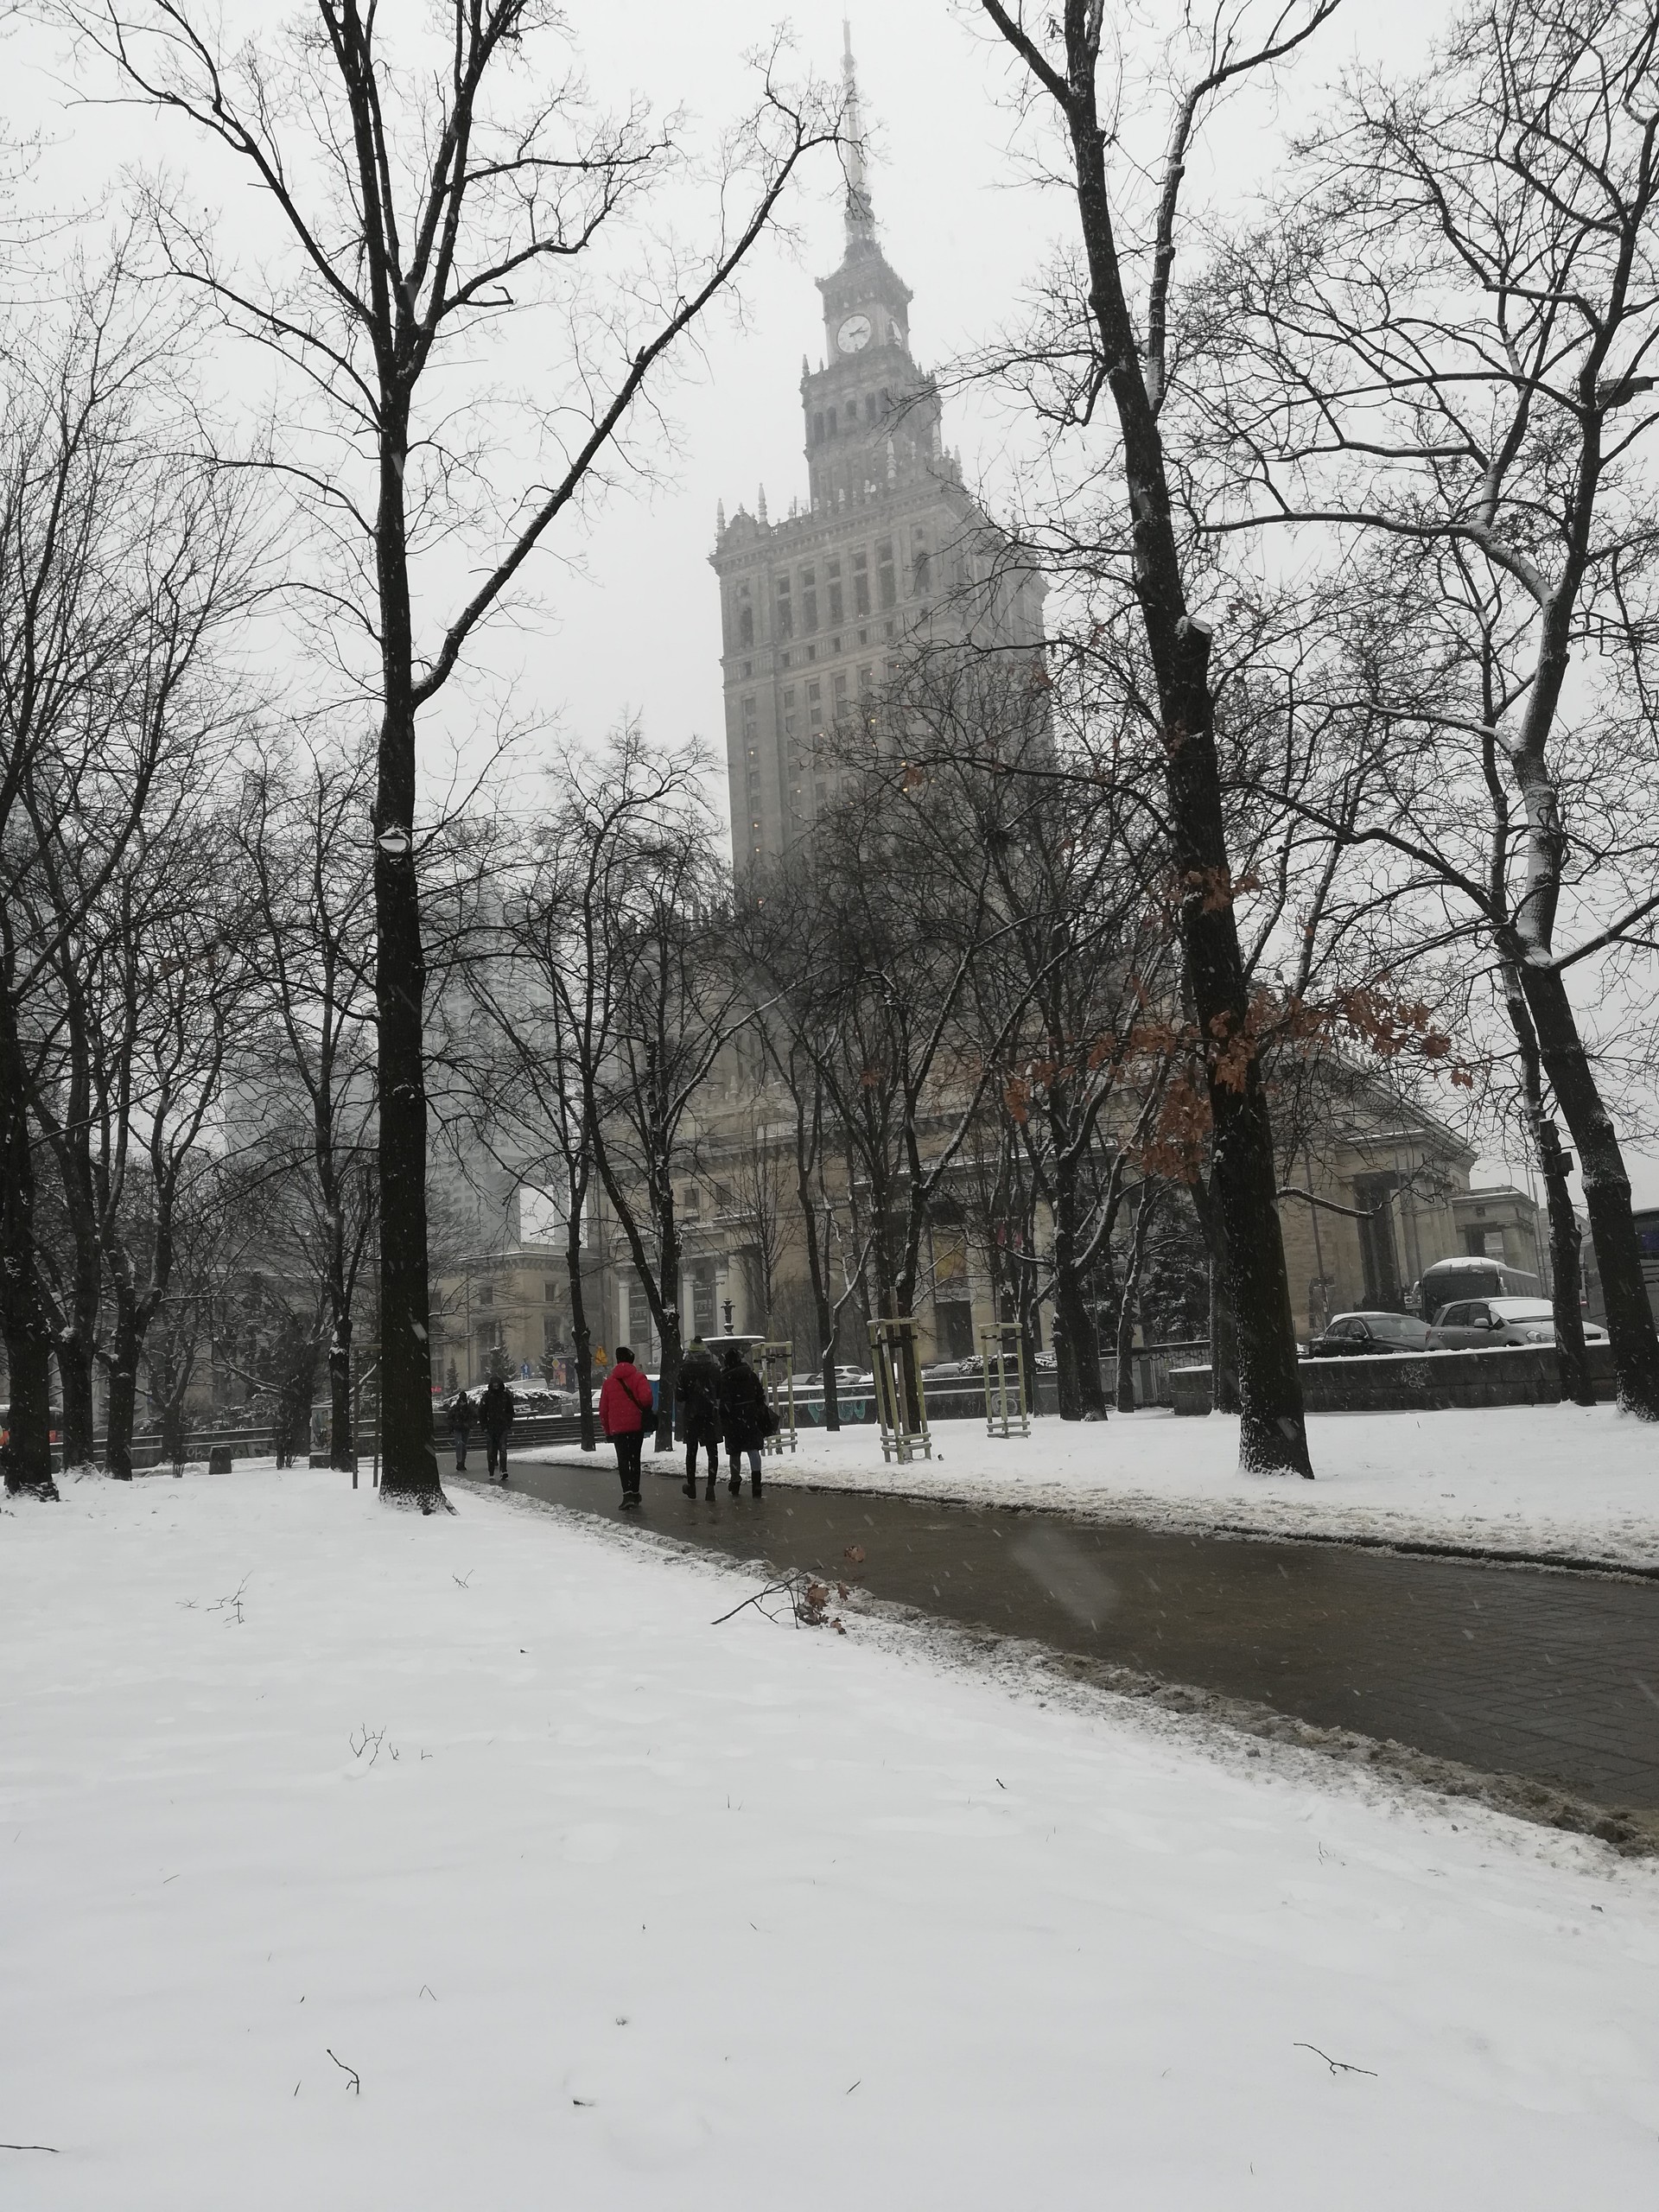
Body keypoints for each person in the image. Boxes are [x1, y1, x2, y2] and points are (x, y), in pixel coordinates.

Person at [598, 1345, 654, 1509]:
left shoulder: (609, 1383)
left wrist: (607, 1430)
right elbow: (646, 1400)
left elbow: (603, 1410)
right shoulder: (638, 1377)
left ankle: (627, 1494)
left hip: (618, 1429)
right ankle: (636, 1493)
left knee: (622, 1460)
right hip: (636, 1426)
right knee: (635, 1459)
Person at [719, 1343, 769, 1497]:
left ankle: (735, 1482)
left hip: (734, 1420)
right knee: (753, 1450)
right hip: (751, 1417)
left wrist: (725, 1416)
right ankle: (756, 1484)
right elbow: (760, 1395)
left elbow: (724, 1403)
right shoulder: (750, 1374)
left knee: (735, 1453)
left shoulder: (725, 1378)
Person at [677, 1336, 723, 1500]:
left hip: (692, 1416)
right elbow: (719, 1392)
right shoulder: (714, 1369)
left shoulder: (684, 1370)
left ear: (691, 1352)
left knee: (691, 1452)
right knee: (713, 1452)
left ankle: (691, 1486)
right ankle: (710, 1487)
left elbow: (680, 1396)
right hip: (710, 1414)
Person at [480, 1375, 515, 1483]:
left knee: (503, 1449)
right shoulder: (487, 1396)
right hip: (491, 1428)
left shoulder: (505, 1396)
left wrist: (508, 1422)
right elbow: (482, 1412)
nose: (496, 1385)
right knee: (492, 1451)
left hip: (502, 1427)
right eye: (494, 1384)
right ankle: (491, 1471)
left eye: (497, 1383)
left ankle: (503, 1470)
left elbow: (510, 1410)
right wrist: (484, 1426)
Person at [449, 1389, 474, 1473]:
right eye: (461, 1402)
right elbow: (450, 1418)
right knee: (460, 1444)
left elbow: (473, 1417)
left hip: (464, 1428)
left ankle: (461, 1462)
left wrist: (468, 1424)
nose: (462, 1403)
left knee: (462, 1445)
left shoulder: (467, 1409)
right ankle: (460, 1462)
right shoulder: (456, 1409)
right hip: (458, 1428)